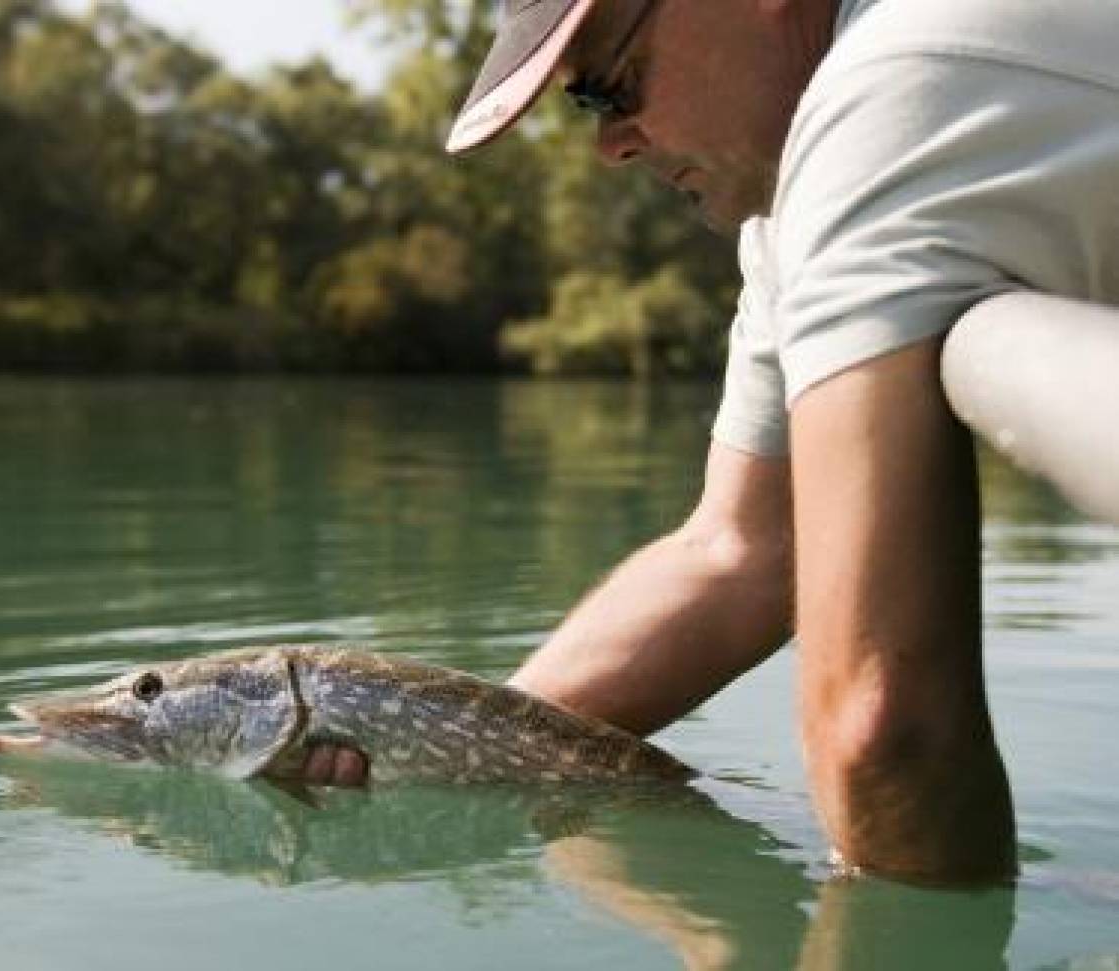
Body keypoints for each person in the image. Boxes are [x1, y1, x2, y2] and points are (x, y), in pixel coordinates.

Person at [306, 0, 1119, 884]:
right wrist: (434, 741)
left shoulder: (880, 97)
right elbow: (738, 551)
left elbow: (881, 734)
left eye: (613, 87)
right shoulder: (792, 213)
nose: (611, 144)